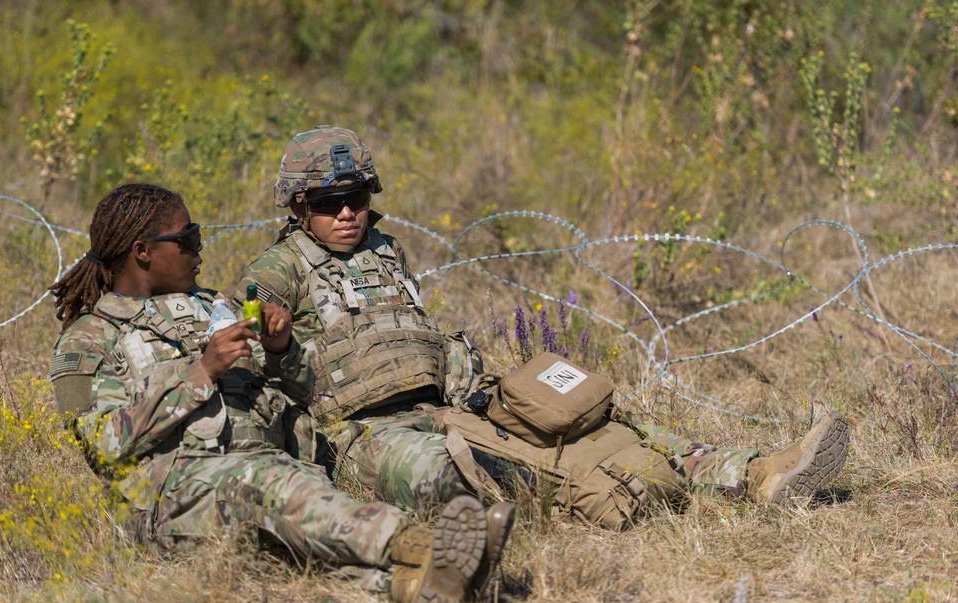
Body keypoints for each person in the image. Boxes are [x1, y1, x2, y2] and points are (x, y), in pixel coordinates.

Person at [235, 126, 850, 529]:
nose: (346, 213)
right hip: (365, 429)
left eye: (357, 198)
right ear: (297, 206)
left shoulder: (386, 248)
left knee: (584, 414)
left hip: (454, 399)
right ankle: (587, 502)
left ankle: (752, 472)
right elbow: (255, 354)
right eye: (326, 202)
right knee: (444, 477)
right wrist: (279, 341)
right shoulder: (277, 270)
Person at [47, 182, 512, 603]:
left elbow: (306, 394)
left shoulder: (216, 307)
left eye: (199, 236)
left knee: (297, 547)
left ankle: (423, 587)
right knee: (275, 490)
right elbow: (102, 443)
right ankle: (422, 546)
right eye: (186, 239)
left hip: (266, 469)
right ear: (142, 252)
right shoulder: (90, 338)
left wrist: (281, 349)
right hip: (174, 493)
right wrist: (200, 372)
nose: (199, 249)